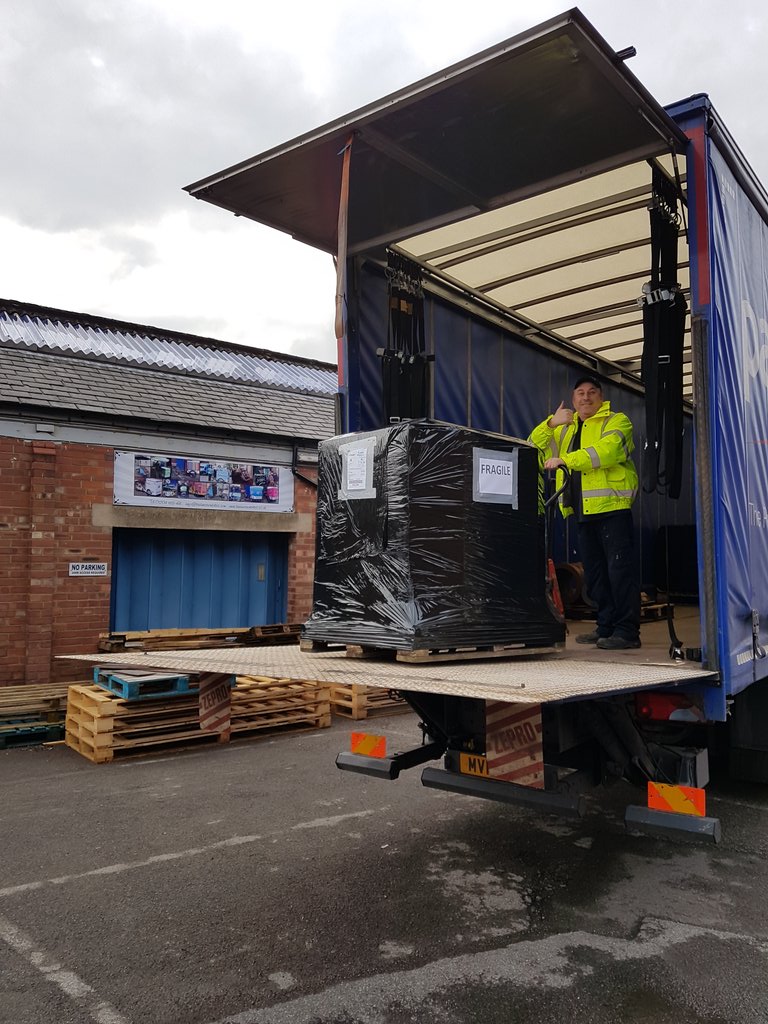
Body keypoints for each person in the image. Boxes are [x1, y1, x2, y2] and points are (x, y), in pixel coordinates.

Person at [529, 375, 641, 650]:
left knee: (619, 571)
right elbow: (533, 447)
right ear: (574, 399)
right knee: (595, 573)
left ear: (601, 397)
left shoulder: (617, 421)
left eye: (592, 392)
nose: (585, 397)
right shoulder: (565, 429)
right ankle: (605, 627)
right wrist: (550, 424)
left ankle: (627, 631)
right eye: (580, 393)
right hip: (582, 510)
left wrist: (567, 459)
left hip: (613, 508)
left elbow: (608, 452)